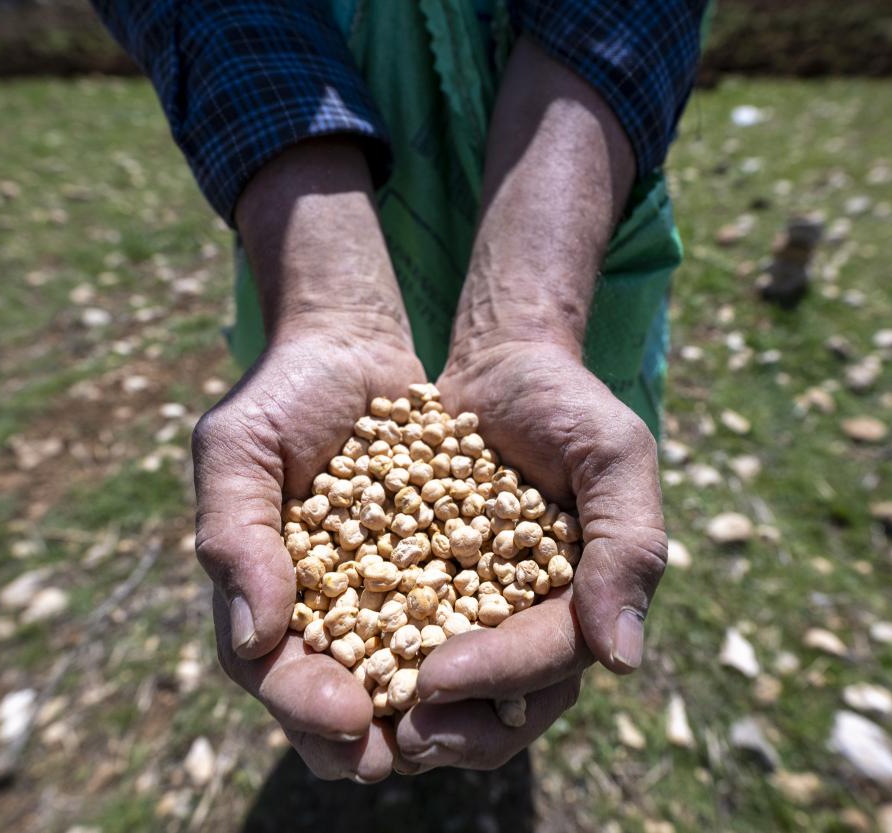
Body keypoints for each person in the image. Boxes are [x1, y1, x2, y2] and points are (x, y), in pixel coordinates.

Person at [93, 0, 706, 782]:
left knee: (524, 617)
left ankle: (467, 719)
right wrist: (322, 302)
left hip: (569, 194)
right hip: (304, 209)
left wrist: (529, 323)